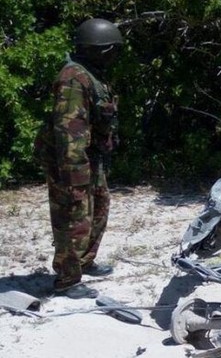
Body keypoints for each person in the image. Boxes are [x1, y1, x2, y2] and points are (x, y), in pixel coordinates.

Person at [33, 18, 124, 299]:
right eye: (112, 50)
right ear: (100, 49)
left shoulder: (92, 74)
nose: (115, 55)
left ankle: (84, 261)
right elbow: (68, 130)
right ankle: (67, 278)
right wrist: (74, 175)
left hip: (89, 157)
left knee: (99, 208)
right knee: (73, 216)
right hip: (72, 162)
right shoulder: (74, 78)